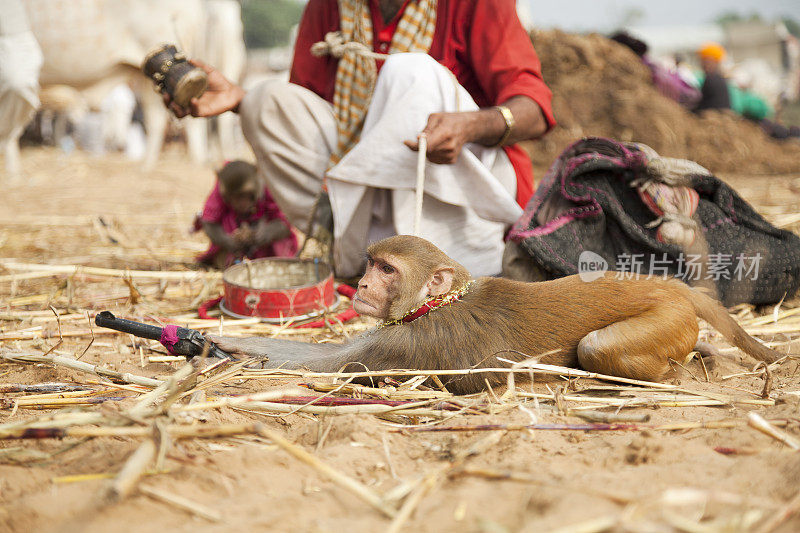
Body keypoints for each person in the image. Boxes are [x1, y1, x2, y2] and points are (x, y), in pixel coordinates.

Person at [166, 0, 555, 277]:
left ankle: (431, 267)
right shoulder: (330, 6)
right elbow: (307, 116)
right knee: (267, 101)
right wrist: (241, 102)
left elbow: (535, 110)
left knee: (411, 73)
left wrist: (469, 125)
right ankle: (360, 259)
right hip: (363, 201)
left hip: (460, 195)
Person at [195, 160, 298, 269]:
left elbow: (286, 221)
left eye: (245, 196)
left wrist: (265, 234)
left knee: (280, 243)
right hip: (231, 238)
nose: (241, 204)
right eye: (236, 198)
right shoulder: (221, 186)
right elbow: (209, 222)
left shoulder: (266, 185)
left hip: (266, 238)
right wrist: (227, 240)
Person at [695, 42, 731, 113]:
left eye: (705, 61)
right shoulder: (719, 77)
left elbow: (703, 106)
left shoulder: (711, 79)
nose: (702, 64)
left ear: (714, 61)